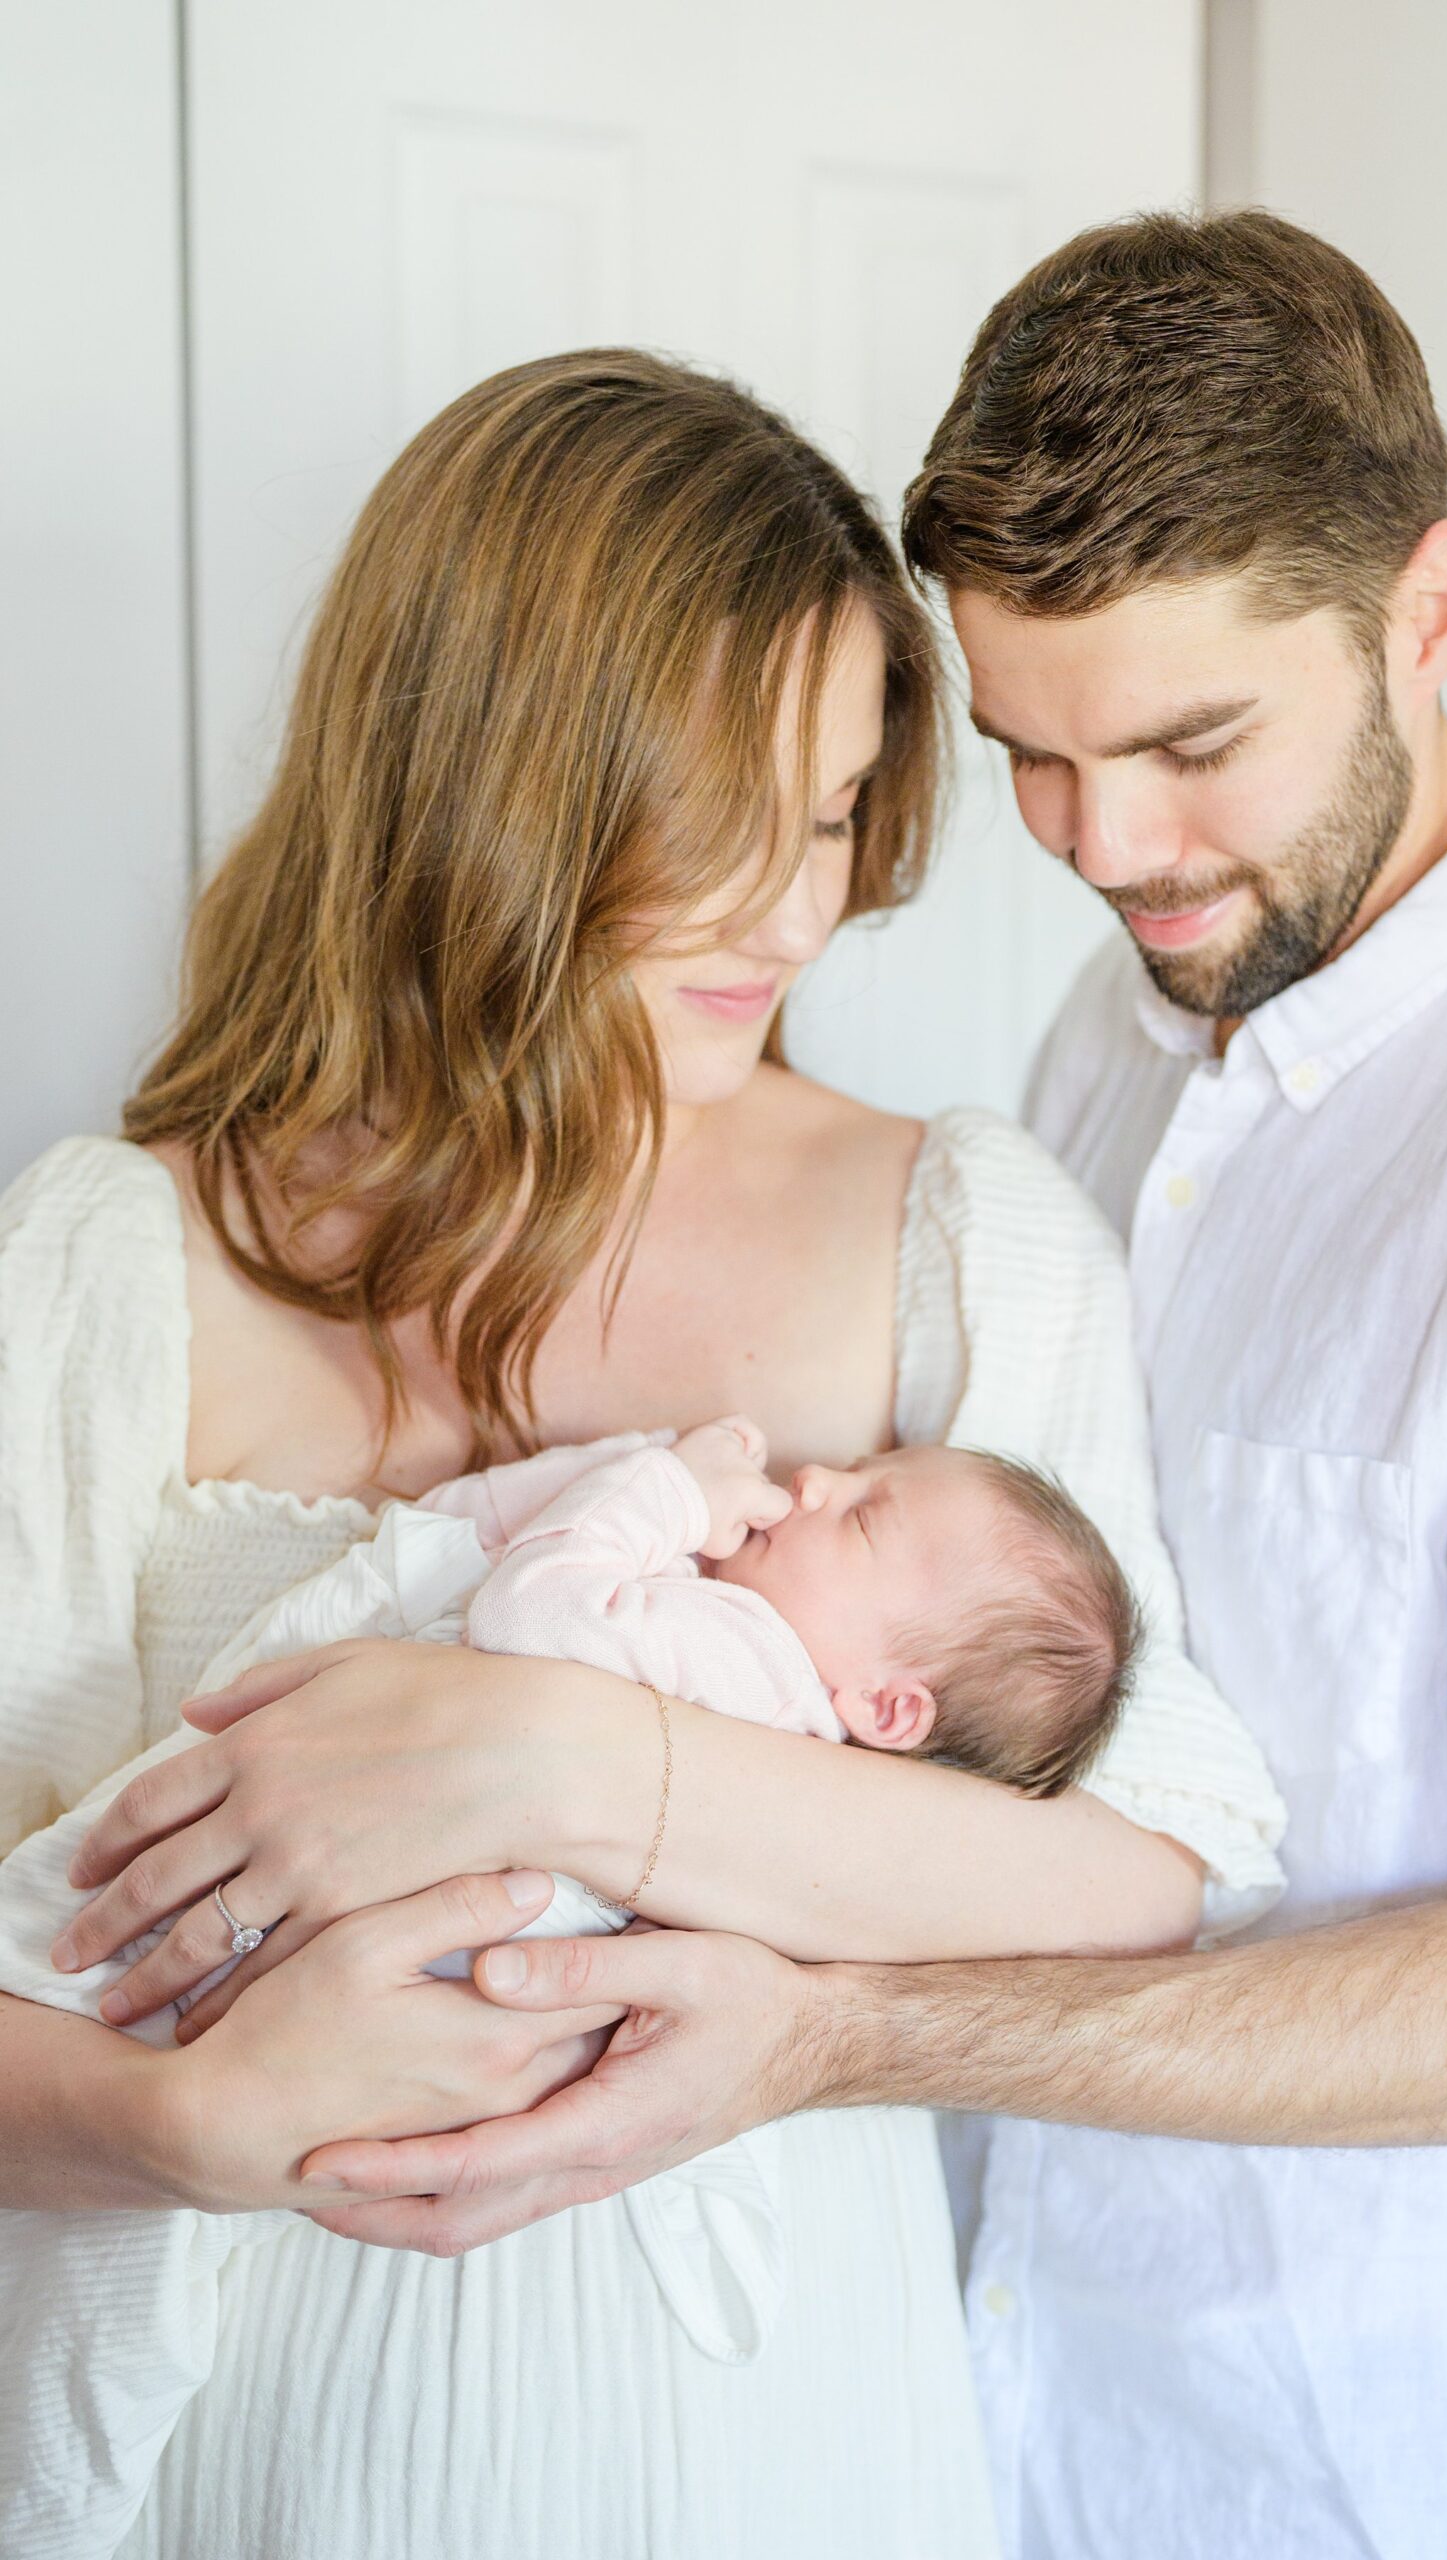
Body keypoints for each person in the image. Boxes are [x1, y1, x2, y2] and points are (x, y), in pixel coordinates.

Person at [311, 218, 1447, 2559]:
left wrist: (849, 2026)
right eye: (1033, 756)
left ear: (1426, 609)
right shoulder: (1123, 1028)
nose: (1107, 849)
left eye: (1189, 744)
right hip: (1002, 2410)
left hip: (1380, 2471)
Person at [0, 348, 1285, 2559]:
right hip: (261, 2467)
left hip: (783, 2449)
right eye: (721, 823)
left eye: (831, 815)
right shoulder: (122, 1257)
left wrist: (578, 1771)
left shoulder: (957, 1237)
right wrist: (192, 2121)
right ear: (483, 772)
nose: (796, 917)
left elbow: (1136, 1887)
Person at [2, 1412, 1138, 2534]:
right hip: (323, 1991)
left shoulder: (746, 1664)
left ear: (888, 1708)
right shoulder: (768, 1727)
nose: (817, 1480)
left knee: (71, 2017)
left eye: (862, 1512)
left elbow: (527, 1603)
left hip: (288, 1958)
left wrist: (661, 1490)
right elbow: (484, 1526)